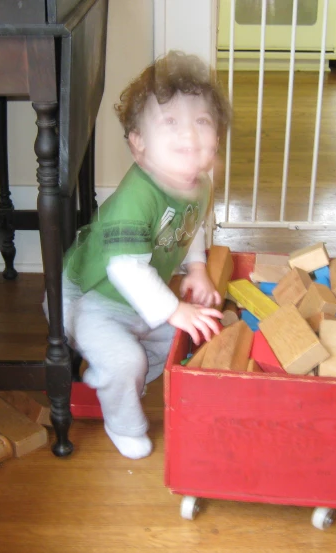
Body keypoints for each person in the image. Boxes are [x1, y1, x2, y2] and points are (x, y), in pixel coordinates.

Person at [48, 50, 232, 459]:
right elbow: (126, 269)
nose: (189, 136)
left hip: (132, 300)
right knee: (127, 359)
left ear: (217, 136)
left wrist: (198, 269)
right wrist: (174, 310)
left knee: (195, 334)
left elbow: (192, 226)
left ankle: (112, 373)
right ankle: (122, 420)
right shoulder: (137, 198)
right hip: (85, 298)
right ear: (139, 145)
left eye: (201, 122)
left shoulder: (198, 184)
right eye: (171, 123)